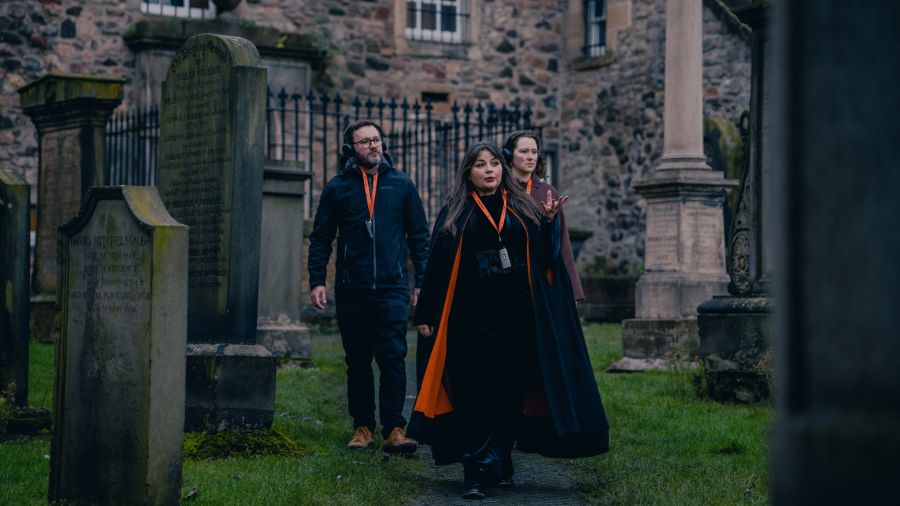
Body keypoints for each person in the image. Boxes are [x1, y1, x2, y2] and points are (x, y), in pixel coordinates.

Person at [409, 142, 609, 499]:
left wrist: (548, 223)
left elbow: (546, 258)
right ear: (468, 172)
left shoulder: (520, 209)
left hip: (516, 318)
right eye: (481, 165)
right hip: (469, 320)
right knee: (473, 393)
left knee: (507, 395)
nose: (490, 170)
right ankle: (475, 470)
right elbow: (437, 266)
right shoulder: (456, 212)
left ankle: (500, 460)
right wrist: (426, 313)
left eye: (495, 164)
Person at [308, 119, 430, 454]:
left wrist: (422, 282)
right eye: (365, 142)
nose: (373, 146)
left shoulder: (402, 185)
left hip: (392, 288)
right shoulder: (338, 188)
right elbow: (321, 237)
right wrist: (317, 279)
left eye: (376, 139)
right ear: (351, 149)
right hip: (352, 288)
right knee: (358, 360)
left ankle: (395, 428)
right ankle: (362, 427)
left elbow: (420, 237)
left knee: (392, 356)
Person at [502, 130, 585, 301]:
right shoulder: (499, 191)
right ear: (509, 155)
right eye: (524, 152)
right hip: (506, 280)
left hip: (541, 281)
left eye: (534, 152)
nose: (530, 157)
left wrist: (573, 291)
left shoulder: (548, 192)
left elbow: (562, 242)